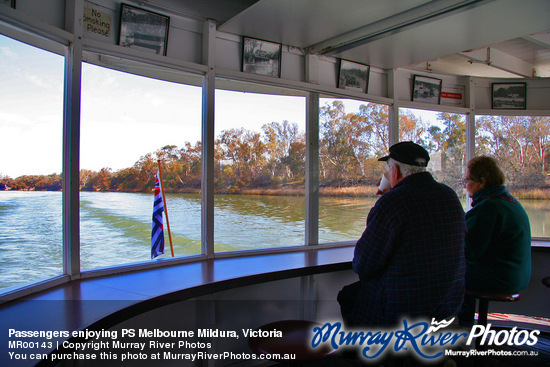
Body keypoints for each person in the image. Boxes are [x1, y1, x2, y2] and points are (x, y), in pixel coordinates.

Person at [338, 141, 466, 327]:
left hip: (404, 309)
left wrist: (386, 201)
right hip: (448, 303)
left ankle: (367, 353)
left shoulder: (392, 202)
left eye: (388, 170)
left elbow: (364, 264)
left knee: (348, 296)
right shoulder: (449, 195)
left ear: (395, 172)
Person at [459, 156, 531, 326]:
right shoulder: (508, 201)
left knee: (450, 275)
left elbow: (468, 250)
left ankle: (460, 333)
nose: (465, 184)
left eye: (467, 179)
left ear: (482, 182)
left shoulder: (488, 207)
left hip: (501, 278)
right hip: (516, 276)